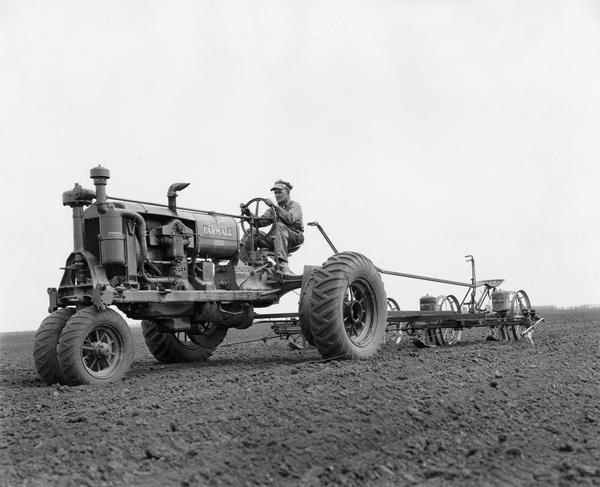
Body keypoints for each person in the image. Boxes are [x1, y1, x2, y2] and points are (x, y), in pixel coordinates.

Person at [243, 179, 304, 275]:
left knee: (280, 226)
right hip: (277, 237)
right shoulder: (272, 209)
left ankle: (283, 265)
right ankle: (245, 265)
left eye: (280, 192)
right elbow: (260, 222)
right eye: (275, 193)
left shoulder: (295, 206)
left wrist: (275, 206)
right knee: (250, 233)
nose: (277, 195)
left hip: (294, 237)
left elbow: (290, 218)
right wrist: (248, 215)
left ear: (288, 193)